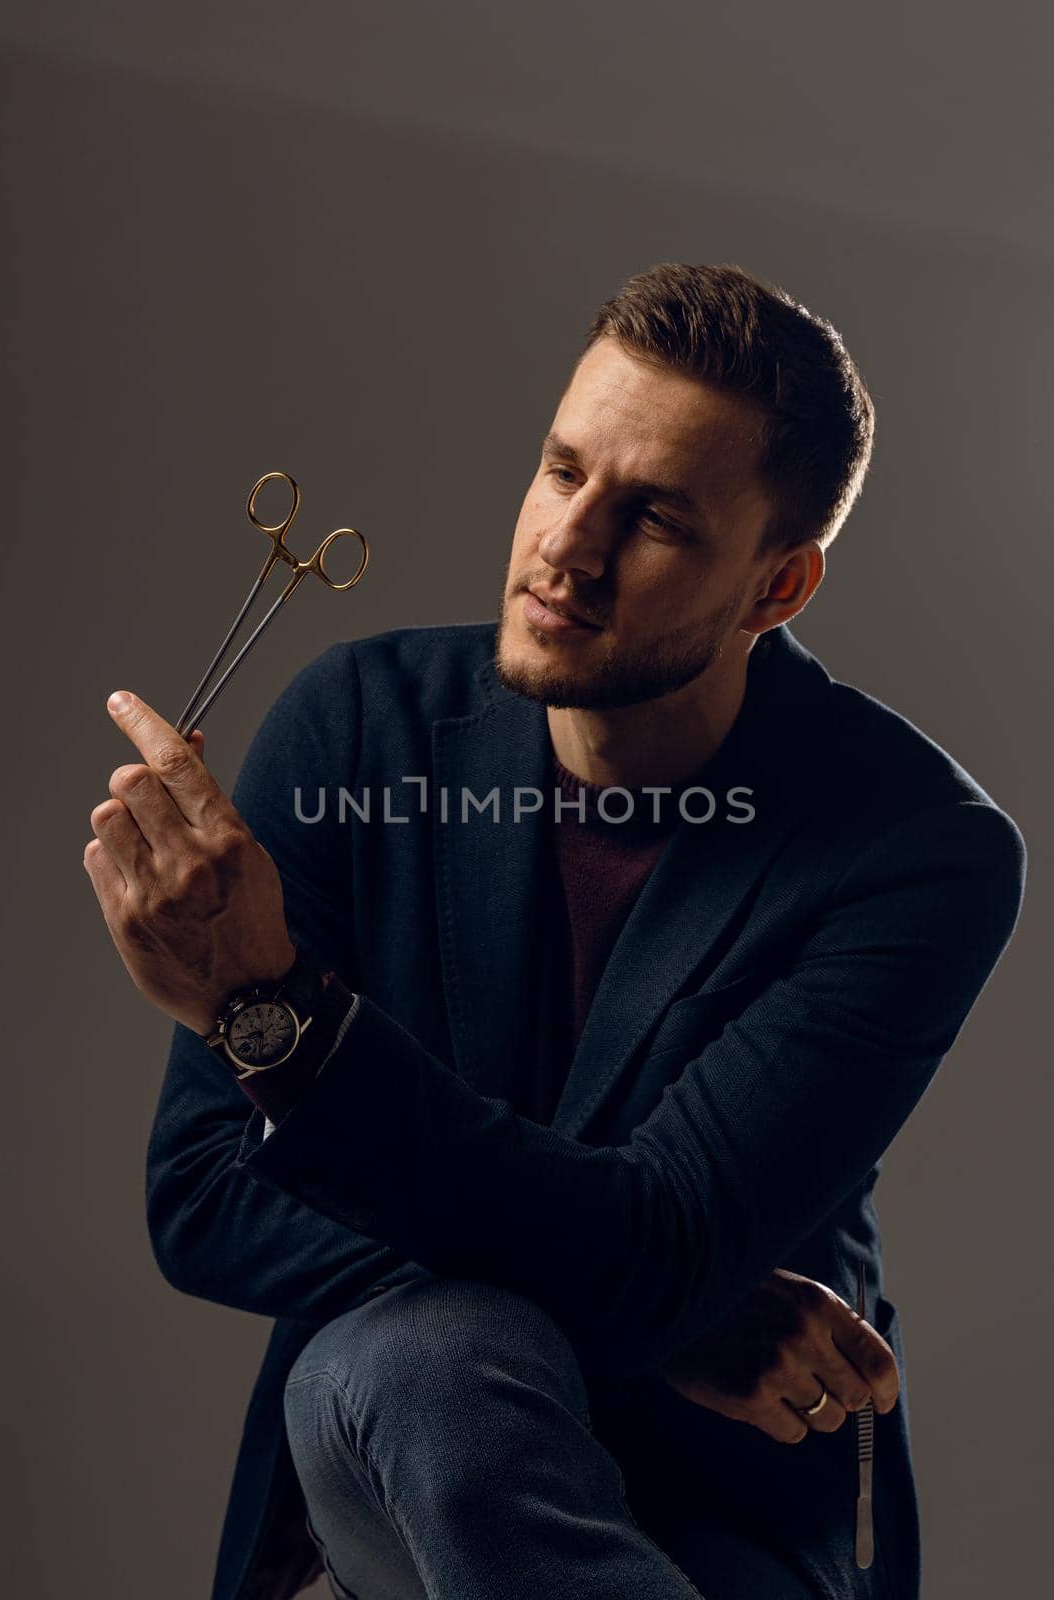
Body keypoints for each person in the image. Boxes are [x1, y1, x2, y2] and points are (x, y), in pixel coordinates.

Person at [85, 262, 1025, 1600]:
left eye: (651, 517)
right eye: (562, 470)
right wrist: (661, 1308)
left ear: (779, 587)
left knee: (435, 1341)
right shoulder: (358, 722)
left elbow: (652, 1244)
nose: (566, 552)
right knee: (430, 1353)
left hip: (719, 1507)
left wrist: (271, 1005)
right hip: (394, 1461)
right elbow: (203, 1202)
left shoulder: (920, 850)